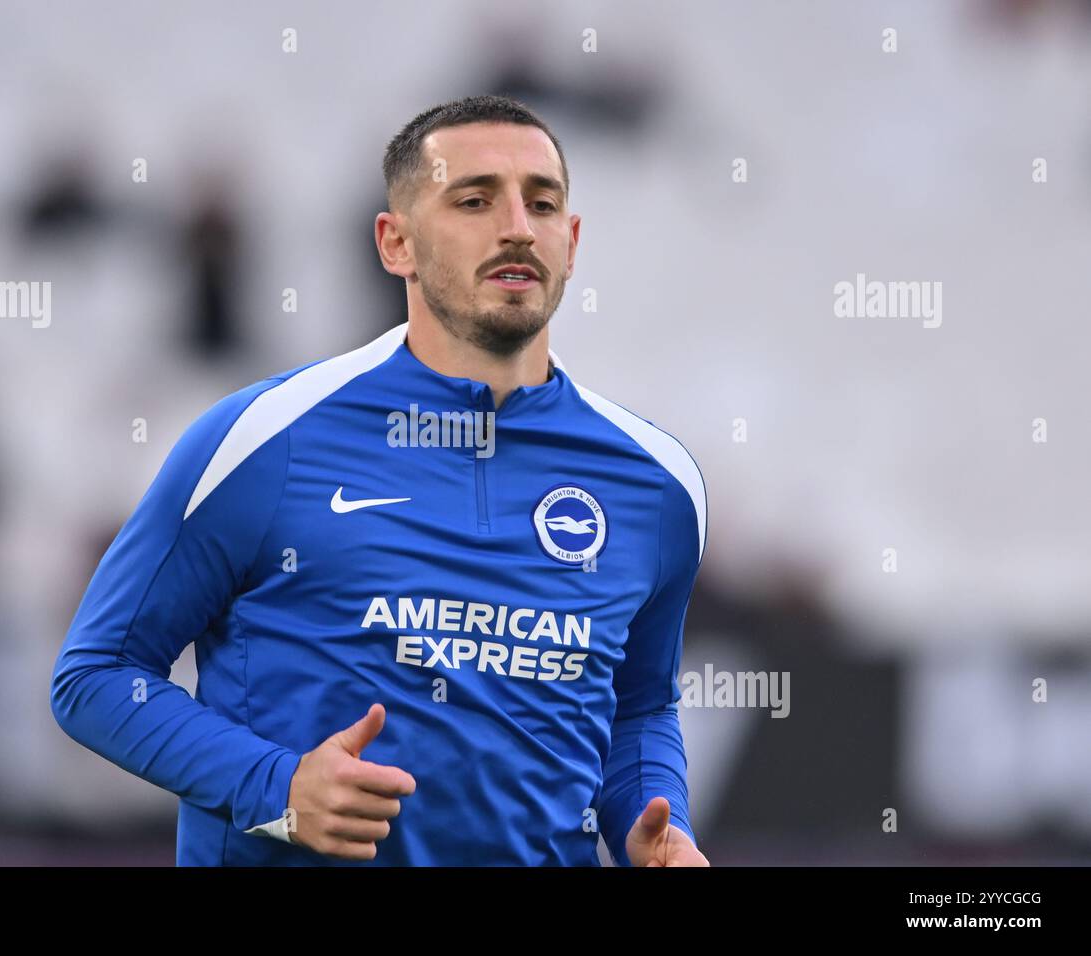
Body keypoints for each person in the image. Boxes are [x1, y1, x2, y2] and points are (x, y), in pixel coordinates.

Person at [51, 94, 709, 867]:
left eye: (542, 203)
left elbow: (637, 709)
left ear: (571, 241)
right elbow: (96, 677)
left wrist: (656, 827)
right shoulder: (263, 439)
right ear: (396, 244)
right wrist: (278, 787)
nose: (516, 228)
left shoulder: (655, 482)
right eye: (474, 200)